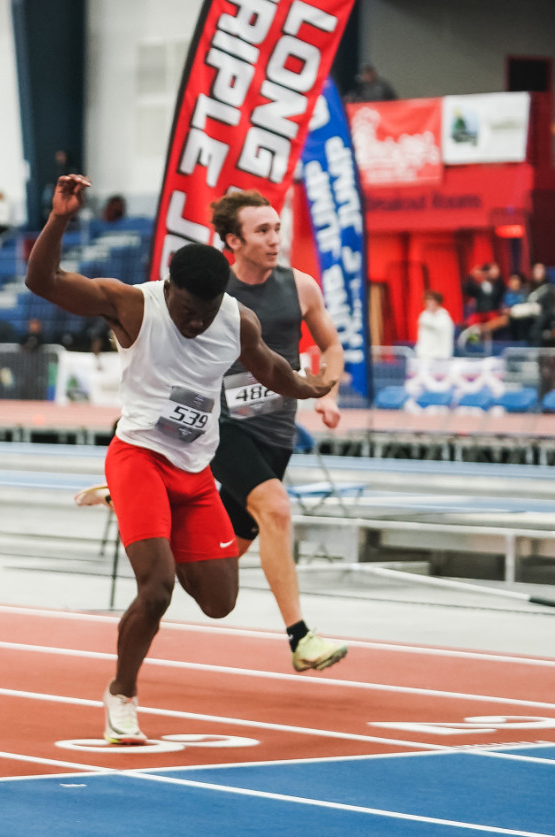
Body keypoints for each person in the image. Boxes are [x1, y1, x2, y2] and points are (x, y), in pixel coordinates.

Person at [25, 174, 332, 745]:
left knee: (219, 602)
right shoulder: (131, 305)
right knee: (158, 587)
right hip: (139, 456)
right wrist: (61, 217)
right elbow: (42, 280)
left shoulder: (235, 319)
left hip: (195, 472)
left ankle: (150, 520)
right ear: (170, 289)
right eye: (189, 311)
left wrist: (306, 387)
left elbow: (267, 366)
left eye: (205, 313)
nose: (196, 323)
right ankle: (122, 695)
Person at [206, 190, 349, 673]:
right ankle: (301, 637)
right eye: (261, 231)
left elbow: (330, 346)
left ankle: (150, 520)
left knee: (220, 557)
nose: (273, 240)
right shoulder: (212, 291)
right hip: (222, 427)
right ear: (233, 241)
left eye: (276, 229)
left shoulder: (301, 287)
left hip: (276, 433)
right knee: (277, 507)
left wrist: (326, 392)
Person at [415, 290, 455, 360]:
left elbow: (445, 336)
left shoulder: (444, 318)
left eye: (431, 302)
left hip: (440, 357)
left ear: (437, 303)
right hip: (424, 356)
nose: (428, 304)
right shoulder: (424, 315)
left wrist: (445, 356)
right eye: (427, 302)